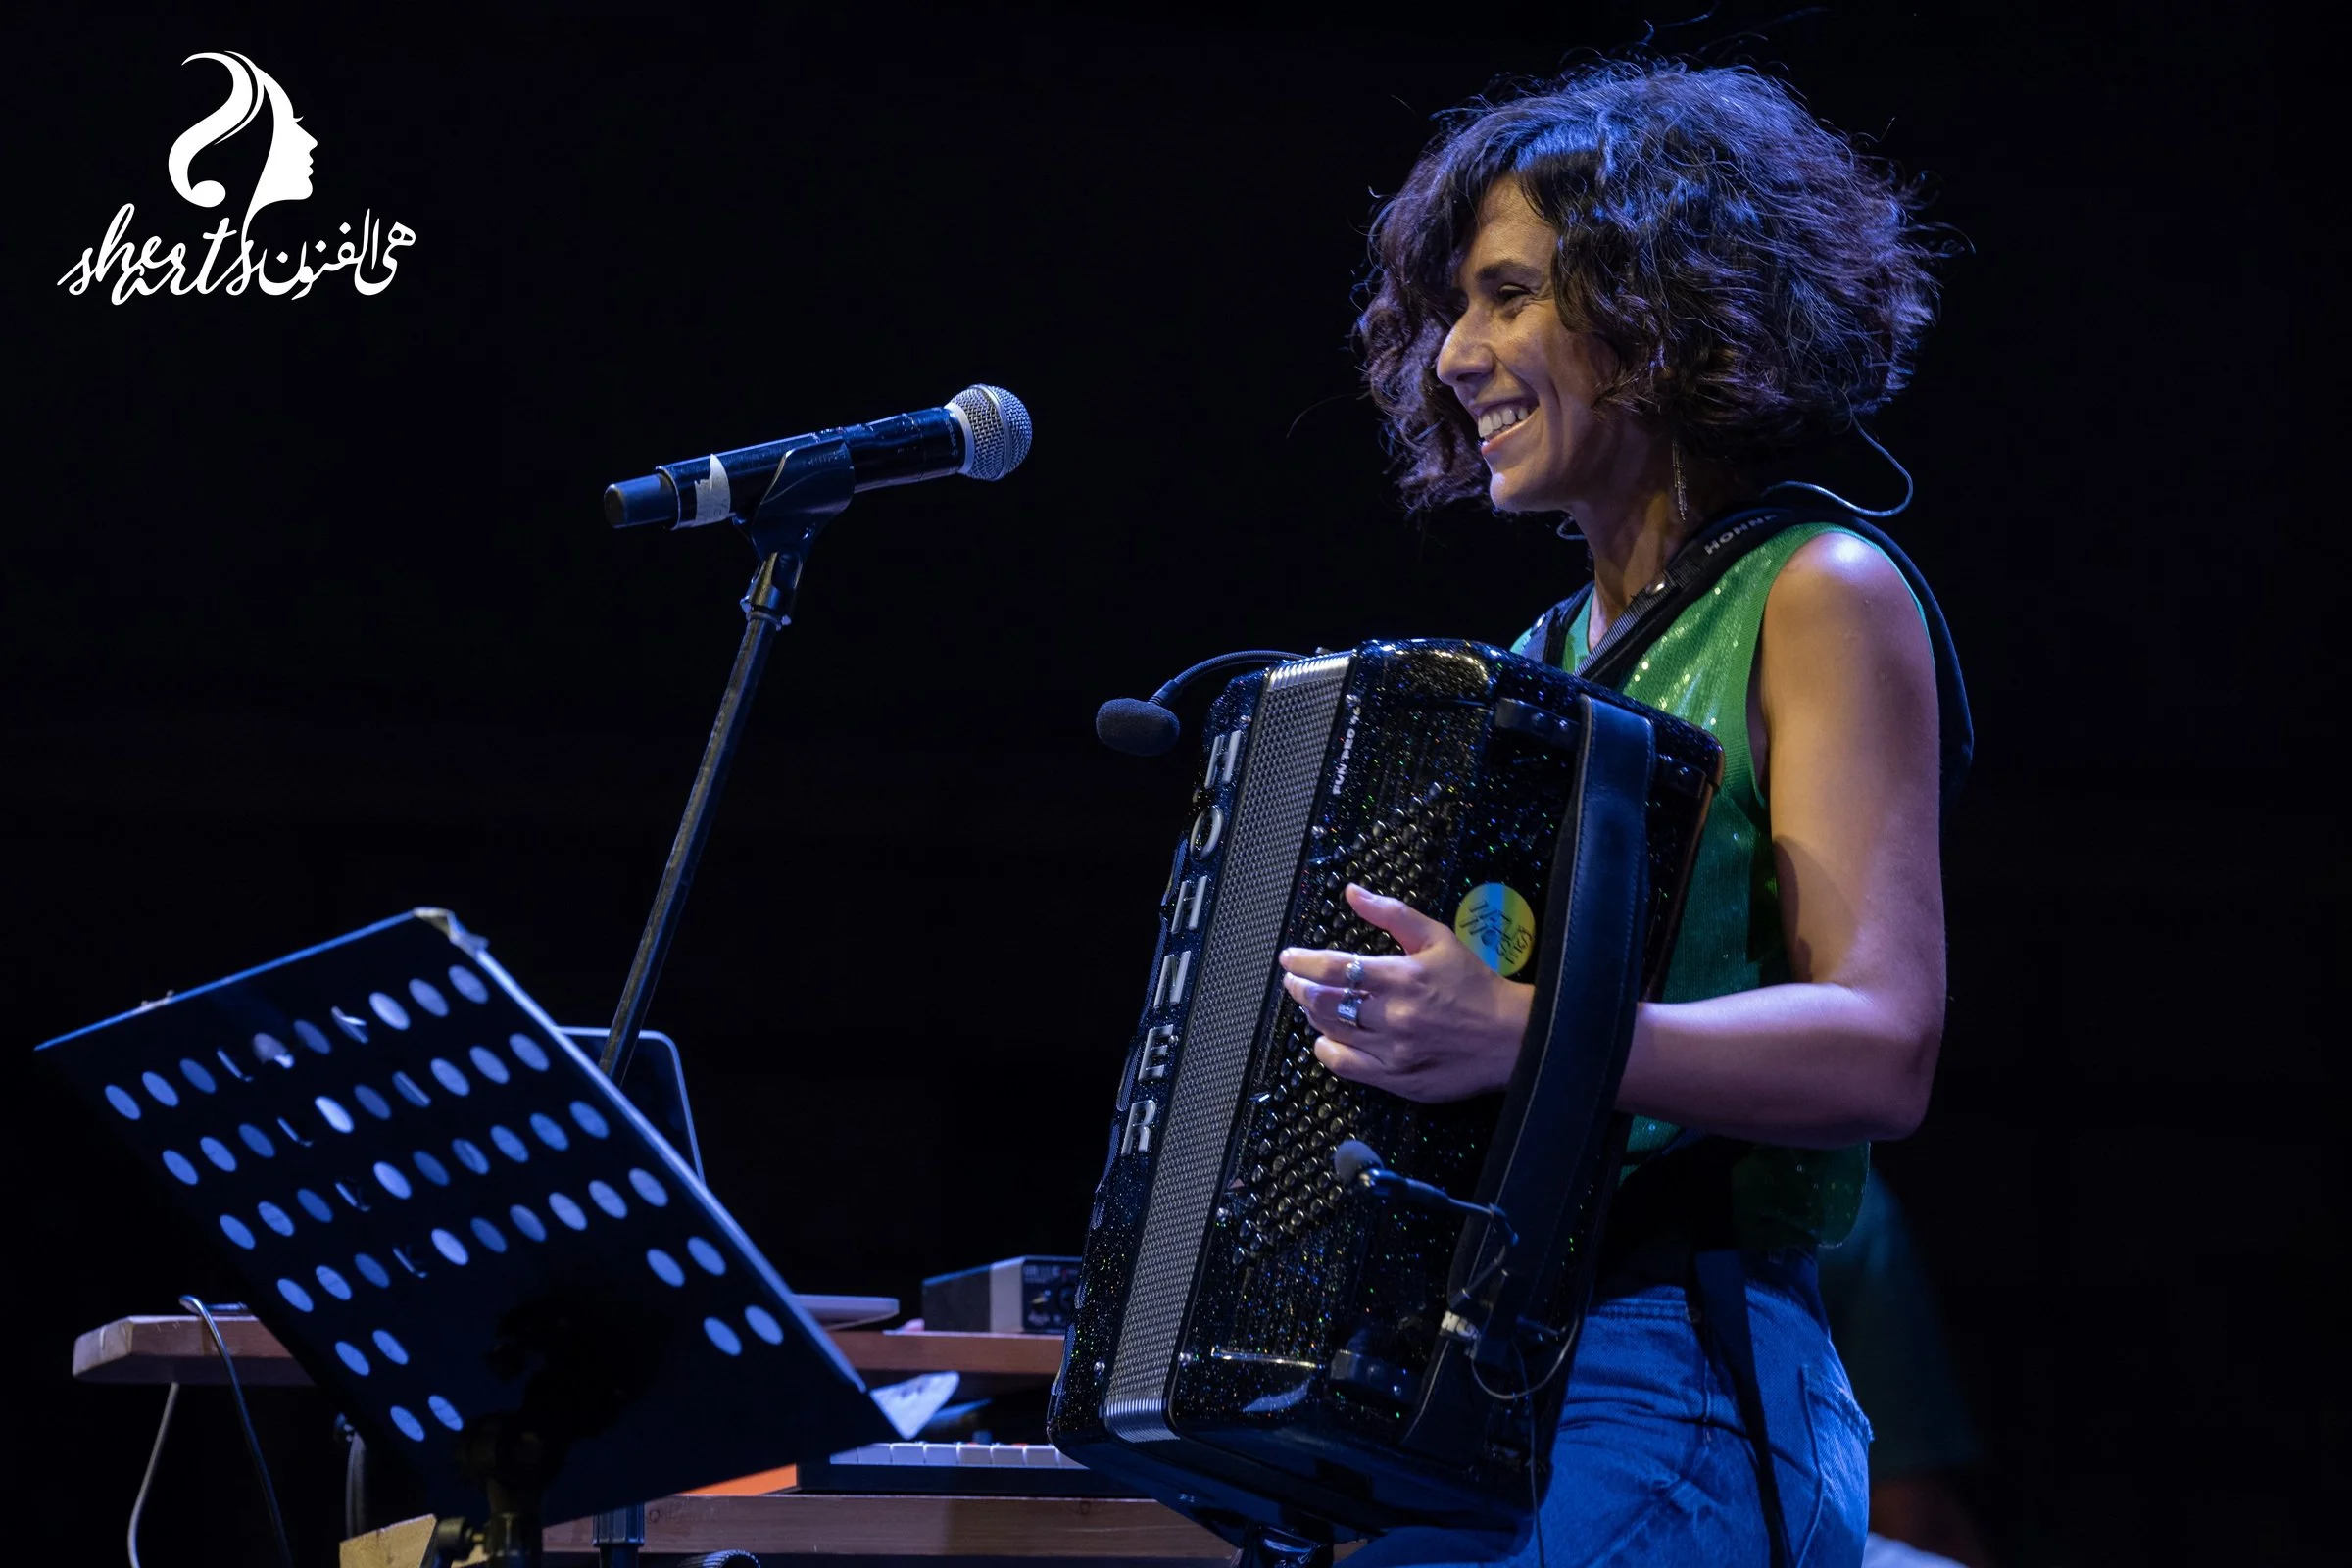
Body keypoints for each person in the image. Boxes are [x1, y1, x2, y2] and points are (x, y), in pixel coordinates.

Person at [1270, 60, 1952, 1567]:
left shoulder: (1819, 591)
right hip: (1491, 1377)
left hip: (1681, 1376)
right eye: (1452, 308)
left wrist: (1518, 1034)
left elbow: (1883, 1043)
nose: (1456, 355)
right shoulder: (1542, 666)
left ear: (1667, 311)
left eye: (1508, 296)